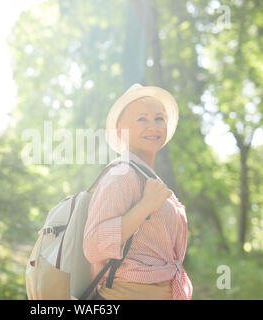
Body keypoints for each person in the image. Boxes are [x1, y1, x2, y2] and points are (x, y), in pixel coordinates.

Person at [83, 83, 193, 300]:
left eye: (159, 118)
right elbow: (93, 245)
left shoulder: (148, 177)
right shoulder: (121, 174)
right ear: (120, 130)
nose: (153, 126)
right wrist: (144, 207)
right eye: (142, 119)